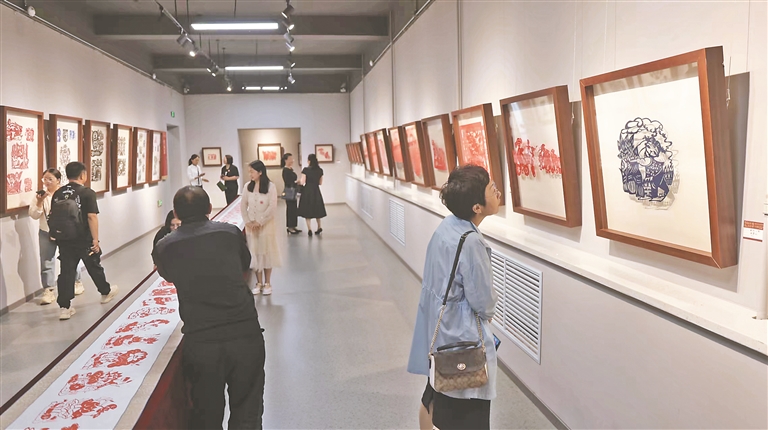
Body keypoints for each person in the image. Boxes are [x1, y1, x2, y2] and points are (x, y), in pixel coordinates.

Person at [153, 186, 265, 429]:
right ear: (209, 208)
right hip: (244, 333)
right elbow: (244, 264)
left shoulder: (164, 246)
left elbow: (168, 275)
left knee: (206, 413)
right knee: (248, 409)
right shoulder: (230, 233)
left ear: (175, 213)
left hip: (202, 340)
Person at [407, 165, 501, 430]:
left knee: (435, 392)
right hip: (461, 337)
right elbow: (483, 301)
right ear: (477, 207)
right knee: (465, 406)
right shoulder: (470, 241)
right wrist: (489, 312)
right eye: (491, 188)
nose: (497, 192)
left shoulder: (448, 226)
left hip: (439, 330)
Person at [52, 162, 119, 320]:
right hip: (84, 239)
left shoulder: (58, 193)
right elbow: (91, 216)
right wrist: (95, 239)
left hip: (64, 240)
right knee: (93, 266)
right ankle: (105, 292)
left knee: (66, 271)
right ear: (83, 175)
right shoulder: (87, 193)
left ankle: (65, 307)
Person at [28, 168, 84, 305]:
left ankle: (77, 282)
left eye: (50, 179)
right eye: (44, 179)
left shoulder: (66, 193)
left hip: (66, 232)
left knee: (70, 258)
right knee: (46, 260)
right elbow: (34, 215)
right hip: (46, 231)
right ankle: (49, 290)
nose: (47, 182)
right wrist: (40, 202)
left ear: (58, 180)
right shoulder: (40, 195)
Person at [241, 160, 281, 295]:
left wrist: (260, 221)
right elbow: (243, 205)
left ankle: (267, 283)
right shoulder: (247, 187)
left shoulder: (271, 187)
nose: (250, 174)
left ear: (260, 172)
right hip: (251, 227)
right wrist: (248, 221)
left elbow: (272, 207)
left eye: (252, 171)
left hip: (266, 226)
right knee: (255, 253)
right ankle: (258, 283)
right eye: (249, 172)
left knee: (266, 253)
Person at [297, 153, 327, 236]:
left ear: (309, 161)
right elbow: (320, 183)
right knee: (317, 209)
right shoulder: (320, 170)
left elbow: (302, 182)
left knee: (307, 210)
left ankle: (309, 229)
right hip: (316, 190)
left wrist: (298, 181)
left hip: (307, 191)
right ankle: (319, 227)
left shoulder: (306, 170)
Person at [281, 152, 301, 235]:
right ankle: (290, 227)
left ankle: (293, 226)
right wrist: (296, 182)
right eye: (290, 159)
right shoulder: (285, 170)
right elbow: (288, 182)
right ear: (286, 160)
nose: (292, 160)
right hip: (289, 191)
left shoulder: (290, 169)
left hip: (293, 191)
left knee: (294, 209)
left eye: (292, 159)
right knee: (290, 209)